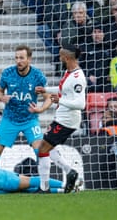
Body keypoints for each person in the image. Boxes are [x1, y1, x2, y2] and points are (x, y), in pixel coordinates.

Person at [0, 45, 52, 168]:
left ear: (29, 59)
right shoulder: (8, 73)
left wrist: (41, 109)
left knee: (40, 150)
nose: (18, 61)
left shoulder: (37, 76)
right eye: (16, 58)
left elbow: (49, 97)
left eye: (21, 58)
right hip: (10, 118)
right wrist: (1, 98)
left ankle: (44, 183)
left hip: (30, 119)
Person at [36, 43, 86, 193]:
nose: (59, 58)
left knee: (42, 148)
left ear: (67, 57)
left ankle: (44, 187)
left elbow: (81, 104)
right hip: (62, 117)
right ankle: (70, 171)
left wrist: (60, 101)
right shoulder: (68, 72)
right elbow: (61, 90)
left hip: (67, 120)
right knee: (49, 148)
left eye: (61, 55)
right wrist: (45, 90)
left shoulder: (78, 77)